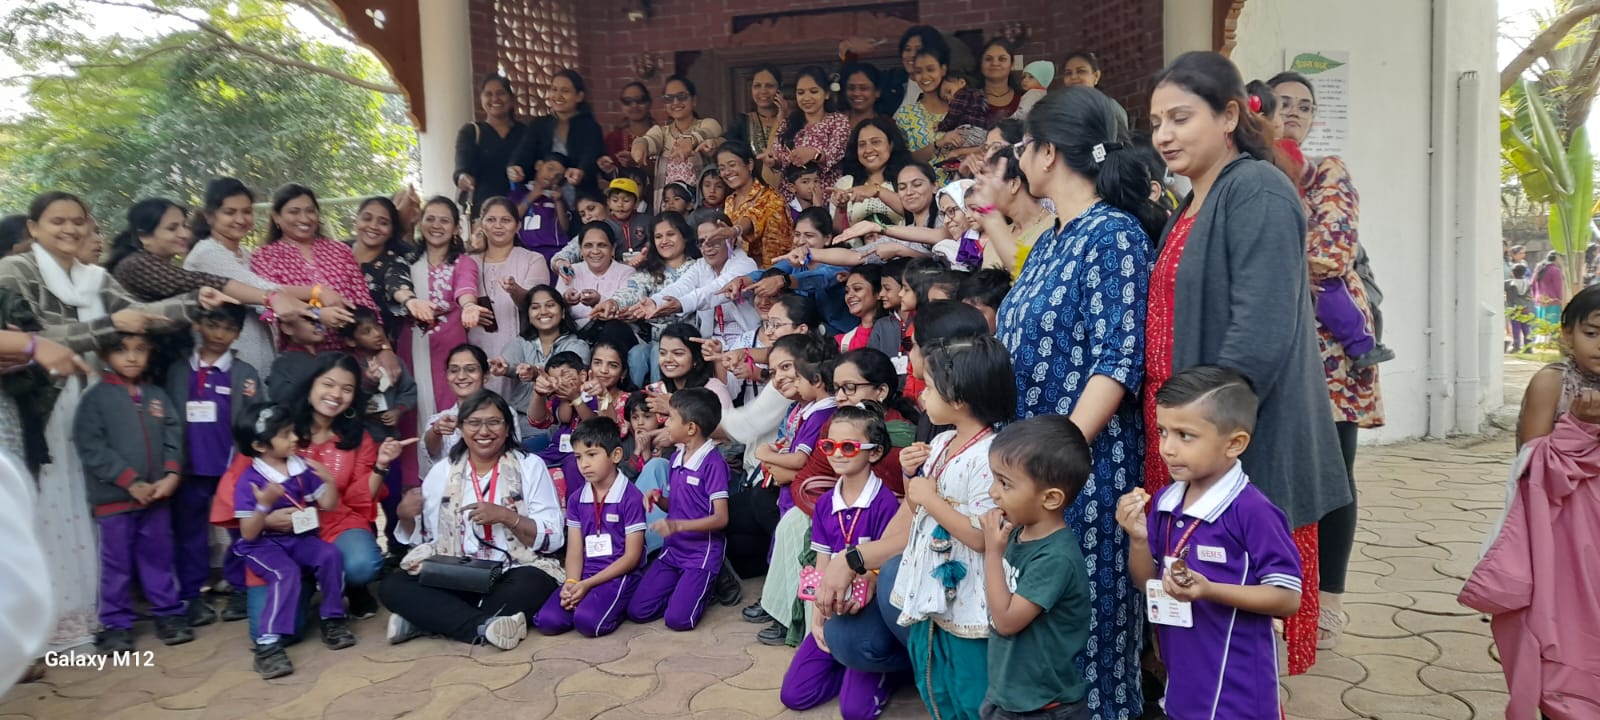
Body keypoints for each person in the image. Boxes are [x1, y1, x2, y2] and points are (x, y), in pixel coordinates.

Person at [1144, 51, 1348, 675]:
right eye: (1156, 123)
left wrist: (1204, 438)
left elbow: (1259, 332)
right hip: (1186, 430)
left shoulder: (1256, 189)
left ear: (1230, 114)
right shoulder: (1194, 199)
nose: (1164, 135)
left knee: (1234, 612)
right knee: (1192, 603)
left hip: (1227, 434)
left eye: (1181, 117)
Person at [0, 191, 222, 653]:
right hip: (41, 406)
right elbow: (32, 341)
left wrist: (192, 304)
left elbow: (141, 318)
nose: (71, 230)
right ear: (34, 228)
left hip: (100, 399)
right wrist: (108, 327)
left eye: (79, 221)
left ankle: (102, 614)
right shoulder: (14, 272)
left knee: (96, 516)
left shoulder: (92, 277)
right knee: (50, 509)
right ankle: (48, 625)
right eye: (57, 221)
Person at [1117, 366, 1302, 720]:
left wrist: (1209, 590)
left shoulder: (1253, 511)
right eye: (1162, 431)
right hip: (1184, 680)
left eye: (1185, 435)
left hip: (1240, 690)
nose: (1167, 448)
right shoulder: (1167, 501)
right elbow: (1148, 582)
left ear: (1234, 443)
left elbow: (1288, 597)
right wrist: (1139, 538)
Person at [1463, 284, 1600, 719]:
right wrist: (1578, 426)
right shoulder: (1553, 382)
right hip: (1561, 532)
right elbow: (1530, 461)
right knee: (1563, 627)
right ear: (1567, 334)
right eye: (1594, 332)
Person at [383, 389, 564, 648]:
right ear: (461, 427)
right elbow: (426, 540)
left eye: (494, 422)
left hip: (509, 572)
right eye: (474, 423)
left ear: (507, 427)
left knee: (533, 585)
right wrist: (405, 517)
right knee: (393, 586)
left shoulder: (530, 466)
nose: (484, 431)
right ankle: (484, 625)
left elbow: (553, 536)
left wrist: (506, 516)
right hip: (455, 573)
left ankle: (426, 620)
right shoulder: (442, 471)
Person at [893, 333, 1014, 718]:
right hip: (930, 585)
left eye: (928, 387)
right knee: (934, 676)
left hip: (969, 593)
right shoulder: (942, 441)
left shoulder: (991, 455)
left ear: (959, 399)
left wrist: (929, 497)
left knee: (971, 683)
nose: (920, 396)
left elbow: (982, 538)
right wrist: (908, 474)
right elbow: (916, 503)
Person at [779, 402, 902, 720]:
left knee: (855, 712)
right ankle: (850, 671)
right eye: (828, 445)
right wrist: (818, 616)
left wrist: (867, 578)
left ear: (873, 453)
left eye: (848, 446)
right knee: (795, 694)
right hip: (834, 608)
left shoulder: (885, 503)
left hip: (867, 615)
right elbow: (823, 563)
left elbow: (885, 565)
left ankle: (886, 671)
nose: (836, 453)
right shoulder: (825, 504)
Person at [75, 333, 192, 650]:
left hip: (156, 498)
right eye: (121, 350)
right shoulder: (95, 399)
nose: (131, 357)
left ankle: (168, 613)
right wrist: (130, 482)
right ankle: (115, 623)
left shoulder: (156, 395)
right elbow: (92, 448)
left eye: (140, 350)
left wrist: (171, 473)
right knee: (117, 564)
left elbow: (173, 433)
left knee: (158, 558)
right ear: (103, 355)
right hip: (115, 501)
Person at [230, 403, 356, 679]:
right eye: (286, 435)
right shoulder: (250, 479)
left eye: (293, 432)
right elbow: (248, 533)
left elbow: (329, 505)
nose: (295, 439)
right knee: (283, 573)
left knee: (330, 555)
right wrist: (264, 506)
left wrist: (329, 482)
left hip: (299, 538)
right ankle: (267, 646)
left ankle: (332, 619)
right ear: (260, 445)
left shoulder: (300, 468)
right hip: (262, 545)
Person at [979, 415, 1093, 720]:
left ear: (1051, 498)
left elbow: (1006, 621)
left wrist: (993, 553)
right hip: (1011, 695)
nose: (993, 492)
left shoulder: (1055, 559)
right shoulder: (1017, 532)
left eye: (1005, 483)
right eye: (994, 479)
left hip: (1044, 709)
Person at [288, 353, 412, 619]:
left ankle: (349, 583)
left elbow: (360, 497)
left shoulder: (357, 436)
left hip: (337, 521)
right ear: (311, 384)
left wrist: (381, 464)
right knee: (286, 630)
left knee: (363, 564)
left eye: (347, 389)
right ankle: (308, 581)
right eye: (328, 384)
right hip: (286, 526)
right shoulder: (282, 428)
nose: (336, 394)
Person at [165, 304, 262, 626]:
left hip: (232, 470)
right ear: (198, 325)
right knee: (189, 534)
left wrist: (249, 460)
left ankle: (242, 589)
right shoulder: (178, 371)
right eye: (213, 325)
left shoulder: (243, 373)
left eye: (228, 329)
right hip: (188, 470)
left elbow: (255, 418)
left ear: (237, 334)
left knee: (240, 533)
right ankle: (191, 595)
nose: (219, 334)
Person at [184, 178, 323, 372]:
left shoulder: (246, 254)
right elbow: (264, 290)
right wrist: (319, 302)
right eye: (230, 212)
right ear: (209, 216)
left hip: (258, 357)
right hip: (224, 364)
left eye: (247, 212)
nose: (240, 220)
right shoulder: (207, 254)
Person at [626, 387, 729, 630]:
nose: (666, 424)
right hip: (673, 550)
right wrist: (659, 499)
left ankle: (708, 584)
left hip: (700, 553)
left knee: (679, 620)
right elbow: (679, 505)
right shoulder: (677, 457)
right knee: (638, 611)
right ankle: (686, 591)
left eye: (671, 418)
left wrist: (676, 525)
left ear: (691, 428)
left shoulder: (713, 463)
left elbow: (721, 517)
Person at [534, 417, 647, 637]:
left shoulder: (630, 497)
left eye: (592, 455)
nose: (584, 464)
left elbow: (632, 557)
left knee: (587, 623)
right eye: (578, 457)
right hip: (585, 574)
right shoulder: (577, 499)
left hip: (618, 574)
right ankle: (586, 599)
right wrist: (572, 583)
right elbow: (575, 550)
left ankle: (618, 604)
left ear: (615, 455)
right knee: (548, 621)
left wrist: (587, 585)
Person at [250, 184, 377, 347]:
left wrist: (383, 348)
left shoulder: (339, 250)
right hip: (300, 356)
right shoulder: (265, 256)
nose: (304, 218)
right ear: (276, 217)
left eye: (310, 211)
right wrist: (318, 298)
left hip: (351, 353)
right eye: (294, 212)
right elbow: (269, 295)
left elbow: (364, 301)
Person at [407, 197, 485, 438]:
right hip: (411, 349)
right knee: (412, 411)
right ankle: (415, 475)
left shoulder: (464, 262)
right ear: (420, 223)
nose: (436, 225)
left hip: (448, 352)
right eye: (430, 219)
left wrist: (470, 306)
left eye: (444, 220)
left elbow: (465, 290)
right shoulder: (407, 261)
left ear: (456, 228)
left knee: (449, 413)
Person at [471, 197, 552, 398]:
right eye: (491, 220)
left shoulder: (532, 259)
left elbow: (537, 304)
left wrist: (516, 290)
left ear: (517, 226)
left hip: (516, 345)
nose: (498, 226)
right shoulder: (469, 261)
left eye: (505, 220)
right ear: (482, 224)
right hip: (475, 343)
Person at [510, 69, 605, 195]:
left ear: (579, 96)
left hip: (581, 199)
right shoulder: (539, 124)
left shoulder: (590, 127)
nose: (557, 96)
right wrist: (516, 167)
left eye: (565, 91)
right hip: (544, 199)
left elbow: (590, 157)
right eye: (554, 90)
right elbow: (525, 152)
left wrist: (581, 171)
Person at [633, 75, 723, 208]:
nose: (675, 102)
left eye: (682, 97)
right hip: (668, 211)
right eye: (669, 99)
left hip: (700, 210)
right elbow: (650, 140)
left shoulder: (708, 124)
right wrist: (640, 144)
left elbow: (710, 130)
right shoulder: (662, 132)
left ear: (694, 100)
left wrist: (690, 141)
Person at [770, 66, 852, 201]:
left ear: (826, 94)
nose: (806, 98)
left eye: (813, 91)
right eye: (801, 93)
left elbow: (836, 154)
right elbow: (781, 159)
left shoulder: (838, 121)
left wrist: (815, 154)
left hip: (825, 196)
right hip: (791, 198)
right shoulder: (789, 123)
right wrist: (774, 162)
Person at [348, 196, 424, 341]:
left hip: (379, 350)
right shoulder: (337, 252)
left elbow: (398, 284)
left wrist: (409, 301)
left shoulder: (394, 262)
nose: (374, 226)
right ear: (356, 221)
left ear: (391, 230)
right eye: (367, 218)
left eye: (383, 222)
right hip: (331, 346)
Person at [711, 142, 793, 268]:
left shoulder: (772, 198)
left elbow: (753, 216)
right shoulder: (729, 201)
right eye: (722, 168)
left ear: (750, 164)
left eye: (732, 165)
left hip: (764, 275)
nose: (726, 172)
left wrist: (735, 230)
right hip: (733, 272)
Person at [455, 74, 528, 216]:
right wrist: (463, 177)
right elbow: (462, 166)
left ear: (511, 99)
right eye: (488, 94)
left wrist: (522, 173)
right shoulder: (471, 131)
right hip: (482, 212)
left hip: (519, 211)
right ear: (481, 99)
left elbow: (533, 168)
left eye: (501, 93)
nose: (495, 99)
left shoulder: (525, 133)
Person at [832, 116, 912, 229]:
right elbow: (838, 234)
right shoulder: (846, 183)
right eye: (862, 144)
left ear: (891, 144)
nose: (868, 150)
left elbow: (915, 213)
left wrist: (877, 190)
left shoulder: (907, 179)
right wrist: (841, 208)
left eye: (876, 142)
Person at [557, 221, 634, 329]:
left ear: (613, 249)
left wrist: (600, 300)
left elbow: (628, 312)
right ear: (581, 250)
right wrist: (565, 299)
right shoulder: (570, 271)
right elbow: (554, 308)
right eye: (588, 246)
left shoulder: (627, 273)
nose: (595, 251)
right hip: (575, 336)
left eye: (602, 245)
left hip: (616, 336)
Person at [724, 66, 786, 188]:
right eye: (757, 86)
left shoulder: (792, 121)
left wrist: (782, 118)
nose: (763, 91)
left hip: (789, 193)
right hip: (753, 194)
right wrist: (712, 141)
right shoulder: (742, 122)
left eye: (769, 86)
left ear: (780, 89)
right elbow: (726, 143)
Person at [836, 266, 901, 356]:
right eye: (847, 291)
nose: (849, 296)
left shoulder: (898, 329)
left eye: (857, 289)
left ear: (879, 292)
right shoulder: (841, 342)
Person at [599, 81, 654, 183]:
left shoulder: (661, 135)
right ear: (621, 106)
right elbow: (608, 178)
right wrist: (606, 168)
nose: (634, 105)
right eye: (627, 101)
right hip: (625, 196)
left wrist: (636, 163)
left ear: (649, 103)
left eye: (640, 100)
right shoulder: (613, 138)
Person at [1059, 50, 1129, 128]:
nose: (1073, 77)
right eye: (1068, 73)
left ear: (1096, 76)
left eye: (1081, 71)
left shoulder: (1110, 107)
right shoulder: (1059, 112)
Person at [978, 39, 1023, 122]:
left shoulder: (1024, 99)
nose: (995, 63)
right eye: (988, 59)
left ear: (1012, 65)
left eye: (1002, 59)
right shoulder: (969, 100)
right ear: (981, 64)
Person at [840, 63, 884, 130]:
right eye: (851, 88)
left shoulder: (885, 125)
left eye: (864, 88)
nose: (856, 93)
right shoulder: (834, 123)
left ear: (877, 92)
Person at [1507, 264, 1535, 353]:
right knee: (1526, 328)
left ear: (1513, 273)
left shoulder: (1509, 283)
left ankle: (1516, 345)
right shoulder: (1528, 282)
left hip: (1514, 308)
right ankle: (1528, 346)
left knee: (1516, 328)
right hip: (1526, 308)